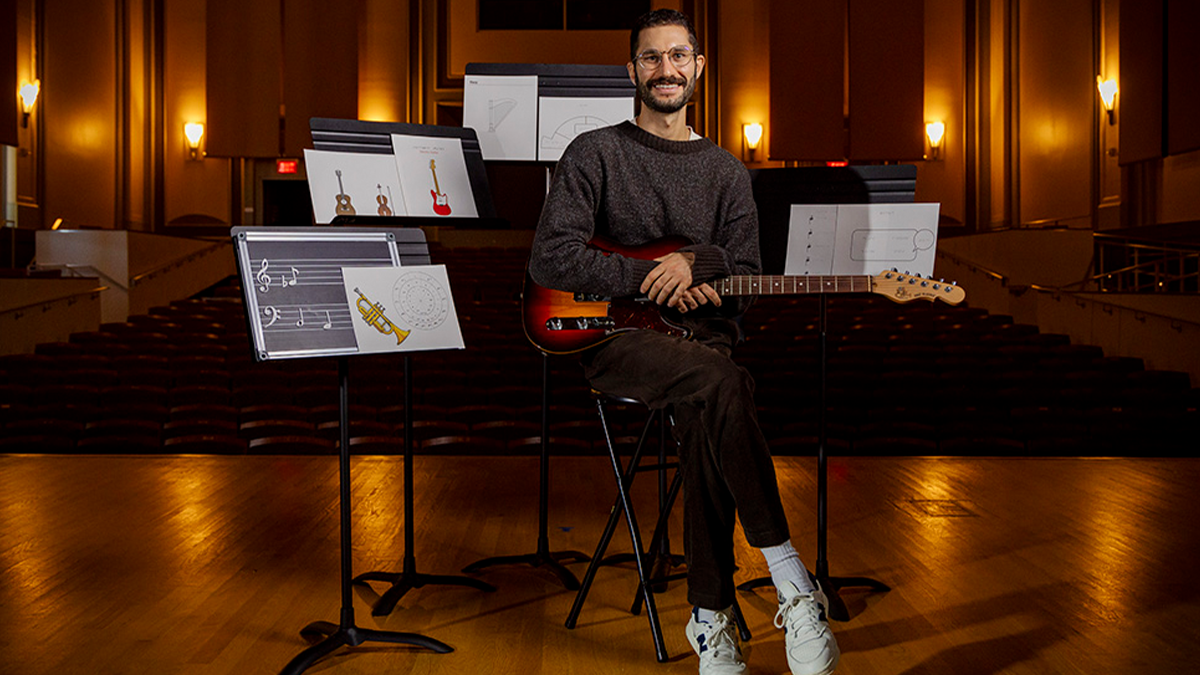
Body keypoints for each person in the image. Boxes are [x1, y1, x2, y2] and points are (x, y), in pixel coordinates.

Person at [528, 9, 839, 675]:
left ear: (698, 67)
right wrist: (650, 277)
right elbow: (551, 259)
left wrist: (699, 266)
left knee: (711, 396)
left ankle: (709, 618)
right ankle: (792, 582)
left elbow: (747, 277)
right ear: (632, 70)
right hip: (612, 339)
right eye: (651, 58)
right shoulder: (596, 152)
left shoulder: (726, 171)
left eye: (678, 56)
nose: (665, 69)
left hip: (703, 344)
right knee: (724, 385)